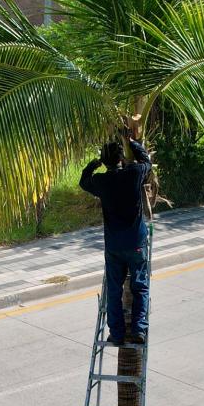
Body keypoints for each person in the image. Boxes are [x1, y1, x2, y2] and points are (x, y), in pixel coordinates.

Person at [78, 137, 153, 346]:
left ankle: (117, 334)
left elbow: (83, 181)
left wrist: (94, 164)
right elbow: (147, 162)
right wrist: (133, 144)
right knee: (140, 287)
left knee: (113, 291)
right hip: (136, 243)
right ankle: (139, 329)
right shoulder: (134, 173)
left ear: (105, 161)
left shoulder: (101, 182)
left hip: (114, 246)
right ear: (121, 158)